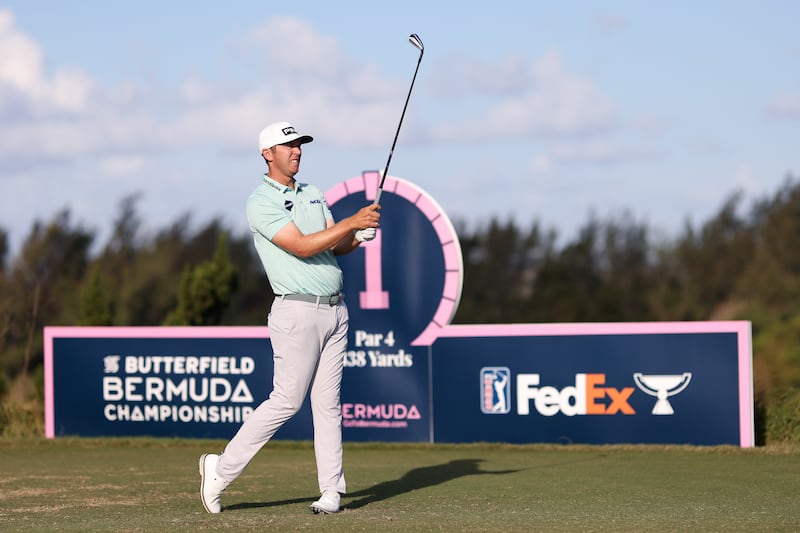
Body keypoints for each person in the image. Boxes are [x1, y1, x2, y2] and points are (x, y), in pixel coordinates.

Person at [199, 121, 380, 514]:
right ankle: (220, 470)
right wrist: (352, 221)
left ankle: (331, 489)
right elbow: (299, 247)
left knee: (328, 404)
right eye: (288, 146)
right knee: (286, 400)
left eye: (299, 145)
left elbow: (333, 243)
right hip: (296, 311)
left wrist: (357, 236)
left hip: (336, 309)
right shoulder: (259, 202)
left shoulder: (313, 194)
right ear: (268, 153)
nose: (296, 151)